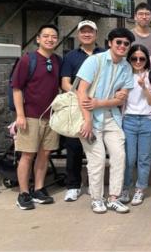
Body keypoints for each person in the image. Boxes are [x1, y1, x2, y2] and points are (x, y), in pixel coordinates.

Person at [76, 27, 135, 214]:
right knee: (97, 159)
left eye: (126, 43)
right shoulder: (94, 61)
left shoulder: (126, 67)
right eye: (118, 42)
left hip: (112, 118)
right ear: (110, 43)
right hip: (89, 118)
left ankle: (114, 198)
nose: (122, 46)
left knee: (119, 156)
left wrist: (100, 102)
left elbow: (121, 99)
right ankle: (96, 198)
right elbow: (81, 92)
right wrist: (86, 121)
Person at [12, 24, 61, 210]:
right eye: (46, 36)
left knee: (45, 153)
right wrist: (20, 115)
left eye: (54, 36)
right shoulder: (28, 60)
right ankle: (23, 193)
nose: (50, 39)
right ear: (38, 39)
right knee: (27, 155)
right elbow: (16, 88)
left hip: (51, 117)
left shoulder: (57, 60)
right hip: (30, 116)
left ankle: (38, 189)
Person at [59, 20, 104, 203]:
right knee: (74, 147)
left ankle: (97, 187)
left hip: (99, 105)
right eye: (83, 32)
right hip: (77, 107)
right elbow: (64, 82)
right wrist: (80, 95)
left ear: (96, 34)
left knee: (98, 148)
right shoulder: (71, 56)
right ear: (78, 35)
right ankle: (73, 186)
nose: (87, 34)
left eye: (90, 31)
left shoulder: (104, 54)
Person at [119, 44, 151, 206]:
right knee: (129, 159)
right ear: (129, 59)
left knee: (144, 158)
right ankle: (125, 188)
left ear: (147, 60)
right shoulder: (124, 74)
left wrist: (144, 87)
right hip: (128, 119)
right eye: (134, 58)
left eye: (142, 58)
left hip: (147, 121)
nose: (138, 61)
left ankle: (140, 189)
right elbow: (118, 97)